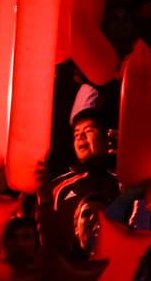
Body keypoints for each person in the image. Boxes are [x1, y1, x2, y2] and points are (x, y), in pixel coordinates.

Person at [46, 108, 119, 254]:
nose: (80, 137)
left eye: (88, 130)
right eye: (76, 134)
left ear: (107, 137)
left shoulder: (124, 180)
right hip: (71, 268)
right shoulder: (59, 186)